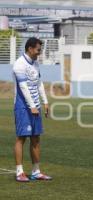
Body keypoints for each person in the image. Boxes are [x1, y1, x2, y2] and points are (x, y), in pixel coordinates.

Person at [13, 37, 52, 182]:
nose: (39, 52)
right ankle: (19, 172)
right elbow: (23, 87)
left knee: (36, 138)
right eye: (38, 49)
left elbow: (39, 83)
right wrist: (32, 106)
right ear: (30, 48)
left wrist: (45, 102)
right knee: (21, 138)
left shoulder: (35, 63)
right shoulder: (19, 64)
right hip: (23, 106)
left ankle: (36, 171)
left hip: (35, 105)